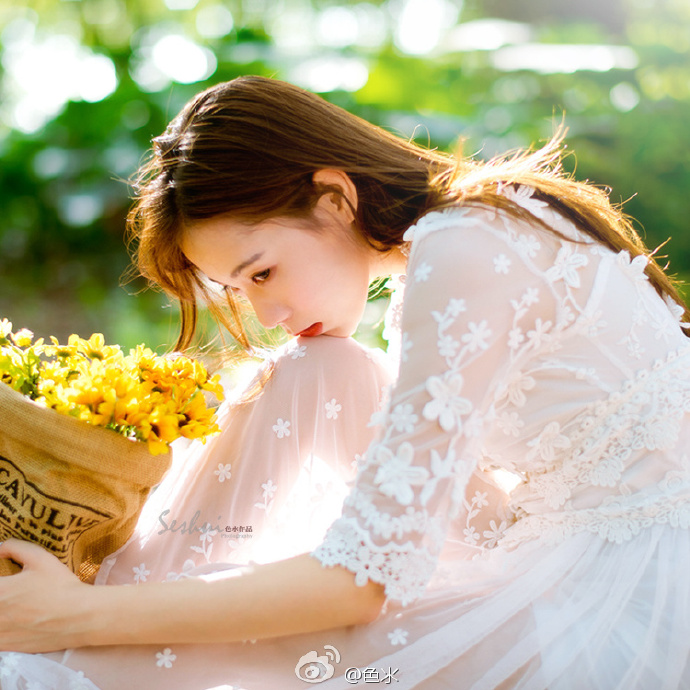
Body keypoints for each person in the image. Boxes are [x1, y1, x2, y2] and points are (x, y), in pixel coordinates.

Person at [0, 74, 689, 689]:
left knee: (315, 657)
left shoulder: (465, 247)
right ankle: (98, 604)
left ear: (333, 196)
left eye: (262, 272)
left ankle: (71, 626)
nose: (267, 314)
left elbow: (366, 580)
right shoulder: (468, 229)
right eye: (239, 291)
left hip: (624, 598)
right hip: (557, 543)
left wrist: (89, 616)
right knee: (317, 368)